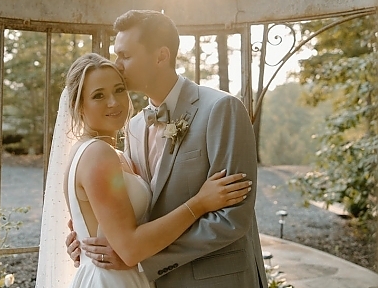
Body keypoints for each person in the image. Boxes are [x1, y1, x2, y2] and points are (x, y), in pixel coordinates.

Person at [66, 10, 268, 288]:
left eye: (125, 55)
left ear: (161, 56)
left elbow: (232, 218)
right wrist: (89, 234)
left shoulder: (221, 110)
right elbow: (138, 209)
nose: (117, 65)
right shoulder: (134, 126)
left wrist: (142, 259)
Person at [35, 53, 252, 287]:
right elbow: (130, 249)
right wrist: (200, 203)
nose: (113, 102)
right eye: (98, 95)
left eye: (119, 90)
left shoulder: (118, 149)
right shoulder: (98, 154)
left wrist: (84, 233)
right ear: (78, 106)